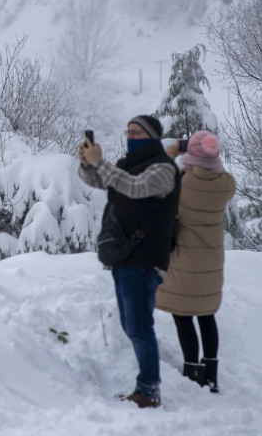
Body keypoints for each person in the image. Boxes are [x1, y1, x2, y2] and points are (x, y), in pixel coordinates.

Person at [78, 115, 180, 409]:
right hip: (125, 255)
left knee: (139, 326)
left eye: (136, 132)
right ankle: (146, 387)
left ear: (151, 136)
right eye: (128, 131)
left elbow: (135, 188)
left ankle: (149, 390)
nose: (130, 135)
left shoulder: (163, 168)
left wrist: (101, 163)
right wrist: (87, 162)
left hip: (144, 257)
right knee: (132, 324)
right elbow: (100, 179)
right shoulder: (128, 165)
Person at [156, 130, 236, 393]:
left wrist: (171, 155)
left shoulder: (182, 182)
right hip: (211, 261)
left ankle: (192, 372)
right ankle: (211, 374)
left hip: (183, 260)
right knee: (206, 315)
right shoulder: (225, 184)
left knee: (183, 316)